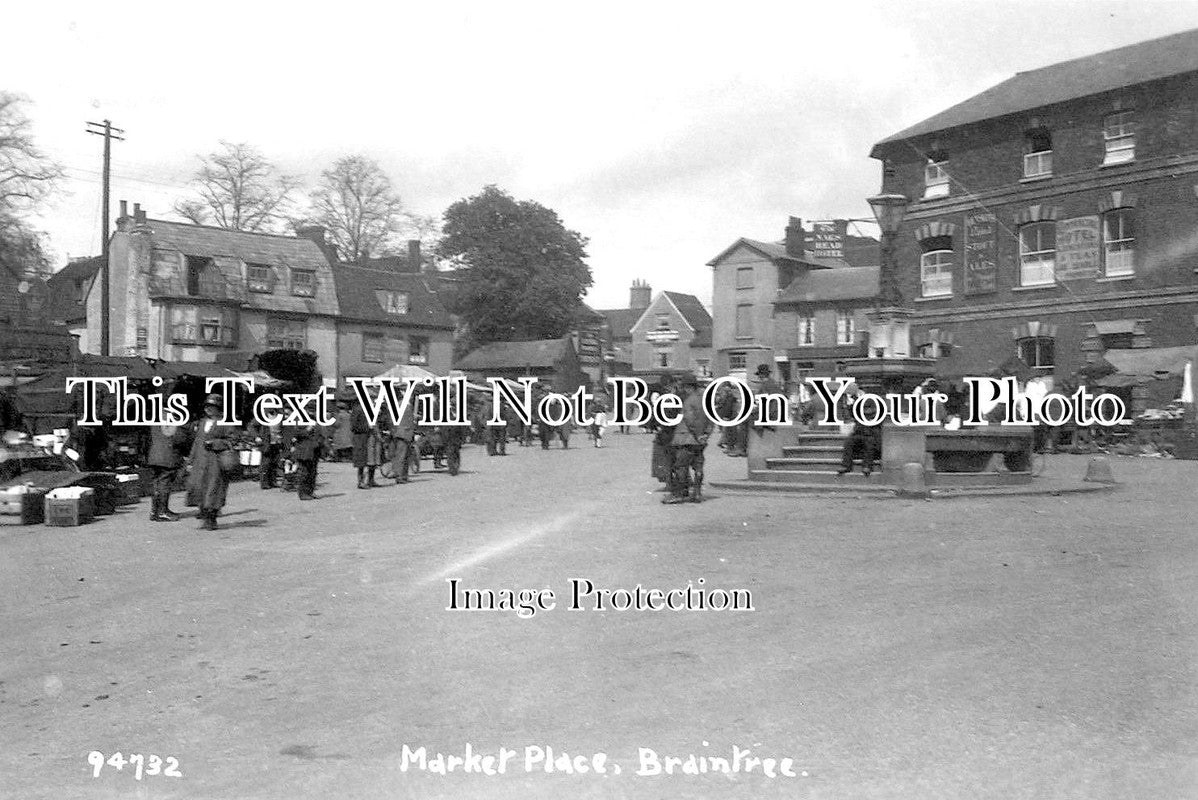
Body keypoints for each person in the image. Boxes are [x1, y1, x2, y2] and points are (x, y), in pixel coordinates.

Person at [664, 374, 714, 504]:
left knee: (681, 466)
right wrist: (705, 435)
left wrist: (697, 434)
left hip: (685, 438)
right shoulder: (705, 400)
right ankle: (697, 493)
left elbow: (690, 420)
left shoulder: (689, 401)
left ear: (687, 387)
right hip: (700, 440)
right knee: (698, 466)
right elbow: (711, 420)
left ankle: (680, 494)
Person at [188, 394, 235, 530]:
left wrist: (216, 443)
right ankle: (204, 515)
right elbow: (196, 443)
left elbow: (231, 441)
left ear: (218, 408)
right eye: (207, 406)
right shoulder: (202, 422)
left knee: (214, 489)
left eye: (211, 406)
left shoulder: (225, 422)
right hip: (201, 462)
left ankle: (211, 518)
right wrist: (190, 461)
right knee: (200, 488)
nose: (208, 409)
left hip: (216, 462)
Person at [147, 419, 191, 522]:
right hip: (168, 457)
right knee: (164, 484)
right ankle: (163, 511)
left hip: (154, 456)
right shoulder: (173, 420)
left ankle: (154, 511)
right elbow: (179, 439)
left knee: (156, 483)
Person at [837, 383, 880, 477]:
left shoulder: (871, 407)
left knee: (870, 442)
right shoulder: (854, 404)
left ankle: (867, 466)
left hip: (870, 434)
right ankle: (846, 465)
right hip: (859, 433)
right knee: (848, 441)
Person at [350, 398, 384, 489]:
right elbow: (353, 426)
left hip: (373, 438)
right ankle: (360, 482)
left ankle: (371, 480)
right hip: (362, 438)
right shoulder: (358, 409)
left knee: (373, 460)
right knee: (361, 462)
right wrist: (367, 427)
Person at [389, 394, 417, 484]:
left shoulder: (400, 404)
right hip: (404, 433)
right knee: (402, 456)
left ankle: (403, 475)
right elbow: (408, 422)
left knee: (404, 456)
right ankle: (400, 476)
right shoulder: (406, 406)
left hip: (401, 433)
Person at [291, 423, 324, 500]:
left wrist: (319, 442)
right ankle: (303, 493)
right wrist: (306, 430)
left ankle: (310, 492)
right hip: (304, 451)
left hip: (314, 450)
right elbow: (295, 434)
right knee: (304, 473)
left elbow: (321, 435)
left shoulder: (317, 422)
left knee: (313, 473)